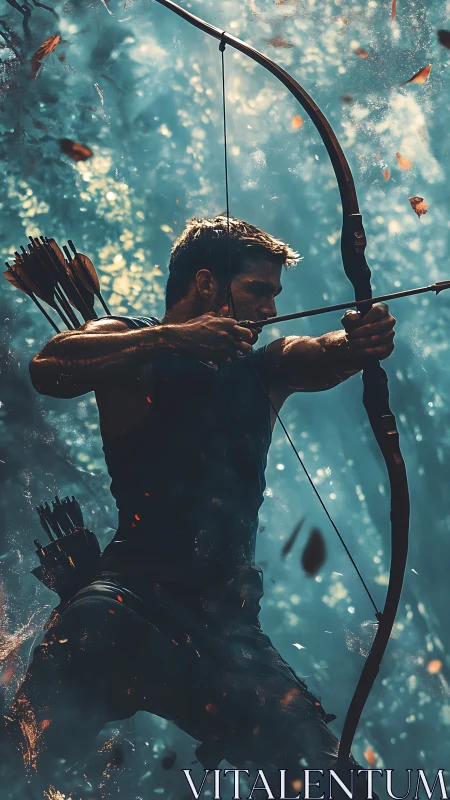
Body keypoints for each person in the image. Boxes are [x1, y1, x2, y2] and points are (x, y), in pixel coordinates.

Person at [3, 216, 395, 798]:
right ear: (206, 282)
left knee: (324, 778)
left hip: (227, 628)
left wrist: (355, 343)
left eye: (273, 295)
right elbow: (49, 367)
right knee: (23, 751)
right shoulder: (130, 341)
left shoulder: (263, 365)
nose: (269, 309)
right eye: (257, 290)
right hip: (129, 597)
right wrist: (173, 339)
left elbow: (315, 355)